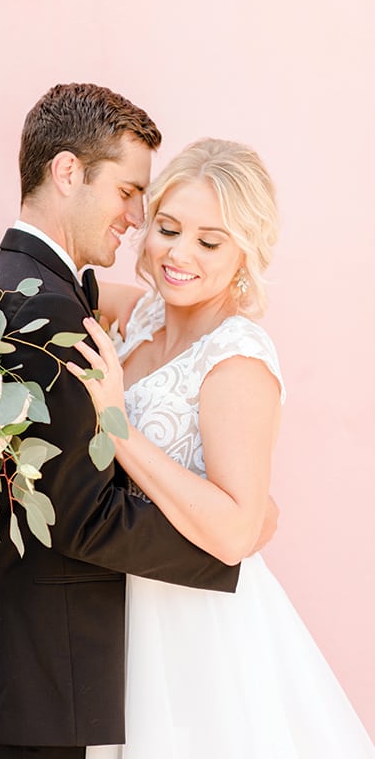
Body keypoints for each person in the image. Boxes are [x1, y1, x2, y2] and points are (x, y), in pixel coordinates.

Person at [0, 85, 278, 759]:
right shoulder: (75, 312)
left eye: (211, 240)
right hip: (47, 670)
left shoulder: (37, 292)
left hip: (121, 643)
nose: (140, 220)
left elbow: (4, 282)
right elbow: (78, 514)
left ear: (244, 254)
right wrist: (238, 537)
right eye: (138, 201)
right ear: (68, 172)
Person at [68, 138, 375, 757]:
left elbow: (237, 531)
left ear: (244, 254)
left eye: (209, 242)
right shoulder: (145, 315)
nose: (178, 254)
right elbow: (26, 280)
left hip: (193, 626)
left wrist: (115, 422)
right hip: (115, 602)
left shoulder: (237, 358)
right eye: (168, 228)